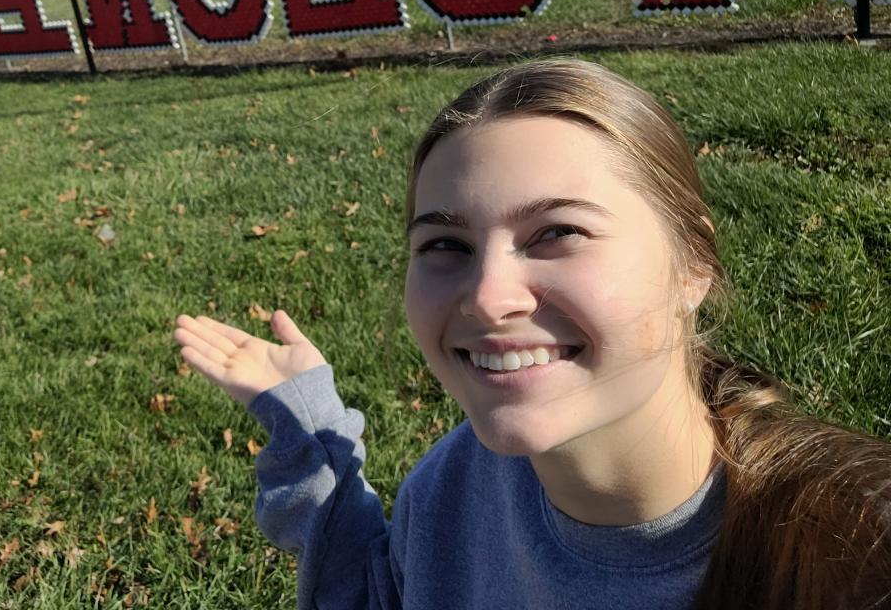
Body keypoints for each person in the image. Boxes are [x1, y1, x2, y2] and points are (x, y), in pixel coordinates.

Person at [172, 57, 891, 610]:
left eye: (558, 233)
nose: (488, 299)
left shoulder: (855, 556)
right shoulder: (452, 485)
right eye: (445, 245)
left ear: (692, 265)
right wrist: (315, 440)